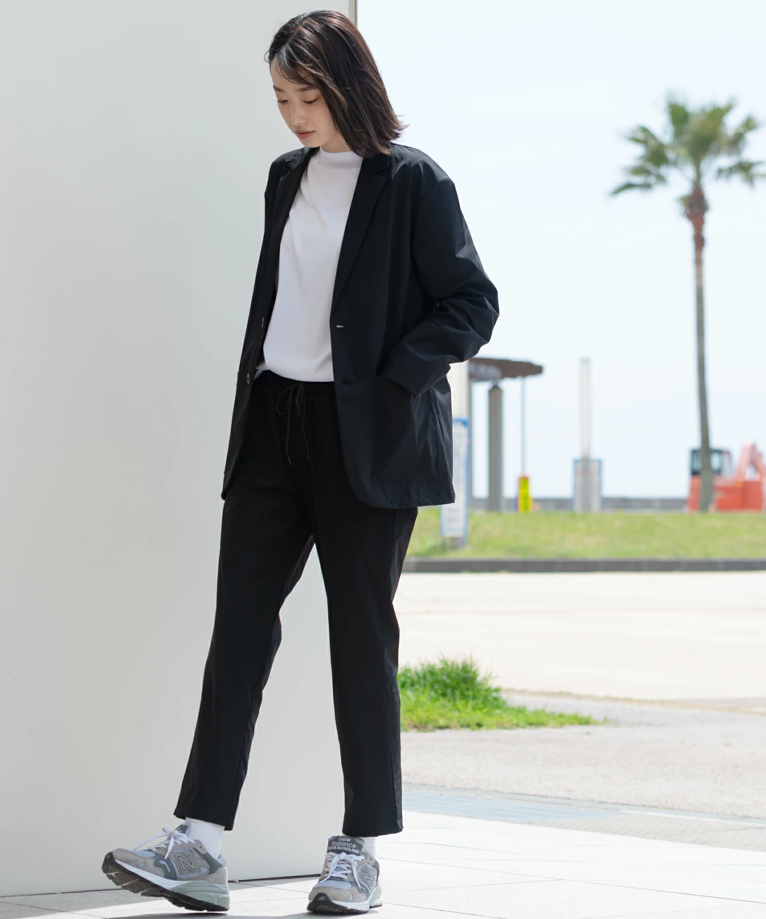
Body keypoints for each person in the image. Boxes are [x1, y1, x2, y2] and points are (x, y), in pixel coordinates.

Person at [102, 9, 498, 915]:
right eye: (281, 99)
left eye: (305, 97)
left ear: (347, 85)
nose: (293, 116)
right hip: (274, 424)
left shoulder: (414, 182)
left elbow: (472, 302)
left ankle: (359, 849)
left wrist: (390, 377)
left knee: (360, 640)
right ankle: (199, 841)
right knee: (239, 629)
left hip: (366, 439)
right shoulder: (286, 177)